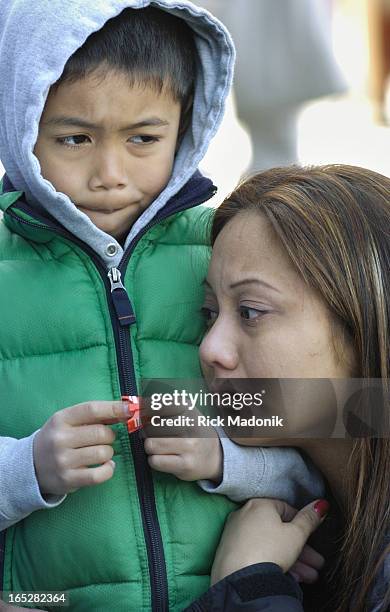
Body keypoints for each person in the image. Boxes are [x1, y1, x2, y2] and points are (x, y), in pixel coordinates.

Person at [0, 3, 324, 610]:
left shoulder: (226, 253)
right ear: (19, 124)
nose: (110, 174)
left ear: (188, 126)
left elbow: (327, 436)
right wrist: (26, 469)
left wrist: (225, 458)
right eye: (74, 138)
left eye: (144, 139)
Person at [182, 164, 389, 610]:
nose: (210, 348)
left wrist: (248, 586)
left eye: (252, 311)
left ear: (365, 322)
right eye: (209, 312)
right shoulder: (292, 525)